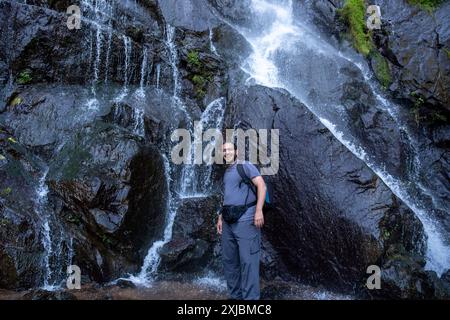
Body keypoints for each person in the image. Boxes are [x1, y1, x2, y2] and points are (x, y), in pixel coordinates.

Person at [216, 142, 267, 300]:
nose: (227, 152)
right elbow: (227, 197)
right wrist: (219, 217)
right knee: (229, 261)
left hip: (246, 219)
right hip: (228, 221)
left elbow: (262, 186)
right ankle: (235, 298)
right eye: (224, 150)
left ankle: (250, 300)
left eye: (229, 149)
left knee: (248, 262)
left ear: (236, 151)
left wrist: (258, 211)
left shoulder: (245, 166)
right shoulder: (226, 172)